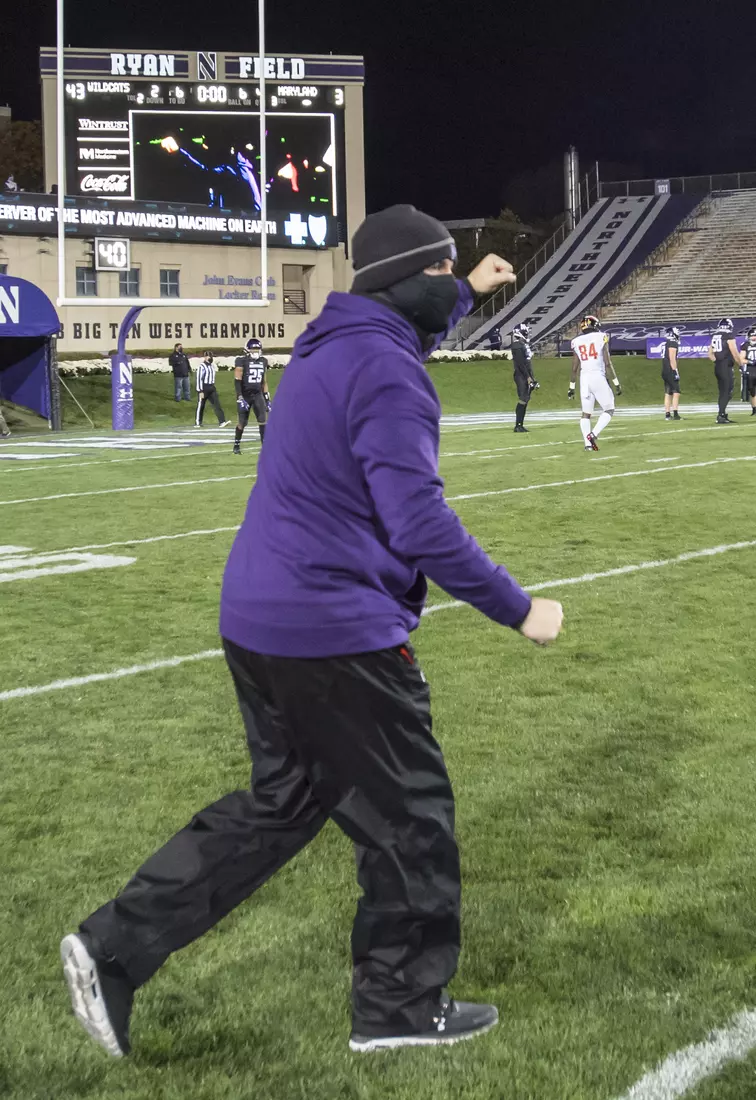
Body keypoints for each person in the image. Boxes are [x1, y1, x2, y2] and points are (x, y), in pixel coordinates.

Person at [60, 204, 563, 1059]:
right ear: (407, 281)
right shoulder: (388, 370)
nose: (453, 282)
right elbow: (420, 524)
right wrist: (519, 607)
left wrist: (466, 296)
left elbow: (398, 346)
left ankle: (112, 949)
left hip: (258, 618)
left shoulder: (333, 345)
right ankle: (399, 1008)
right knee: (411, 820)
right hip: (335, 630)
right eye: (443, 271)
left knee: (284, 802)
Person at [568, 315, 622, 451]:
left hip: (584, 379)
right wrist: (616, 383)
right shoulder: (601, 337)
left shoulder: (576, 341)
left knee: (586, 413)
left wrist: (571, 387)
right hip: (597, 376)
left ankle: (587, 445)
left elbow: (574, 368)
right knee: (609, 409)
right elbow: (608, 363)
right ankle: (593, 434)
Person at [233, 338, 270, 454]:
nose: (256, 351)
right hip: (245, 395)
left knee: (263, 420)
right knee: (242, 423)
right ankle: (236, 445)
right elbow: (237, 380)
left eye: (257, 349)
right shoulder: (241, 361)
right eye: (253, 349)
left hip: (258, 394)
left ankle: (265, 447)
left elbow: (264, 381)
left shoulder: (263, 361)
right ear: (247, 350)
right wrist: (239, 397)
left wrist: (267, 398)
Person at [708, 317, 739, 424]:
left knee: (723, 392)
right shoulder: (728, 335)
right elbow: (734, 352)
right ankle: (721, 415)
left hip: (718, 366)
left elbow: (710, 354)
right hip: (726, 367)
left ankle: (722, 414)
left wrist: (718, 362)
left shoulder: (715, 336)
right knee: (727, 392)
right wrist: (740, 364)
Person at [511, 322, 537, 433]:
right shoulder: (517, 345)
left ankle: (520, 424)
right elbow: (521, 363)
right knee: (523, 398)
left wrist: (532, 377)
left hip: (525, 374)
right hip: (521, 375)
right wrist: (528, 377)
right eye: (525, 331)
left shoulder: (522, 345)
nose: (527, 333)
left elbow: (527, 364)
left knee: (526, 399)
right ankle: (518, 425)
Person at [195, 352, 230, 428]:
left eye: (211, 356)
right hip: (204, 388)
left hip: (211, 387)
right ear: (205, 357)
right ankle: (198, 422)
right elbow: (199, 378)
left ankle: (222, 421)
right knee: (201, 405)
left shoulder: (212, 366)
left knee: (217, 405)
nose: (210, 358)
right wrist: (200, 391)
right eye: (208, 356)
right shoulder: (202, 366)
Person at [661, 326, 683, 420]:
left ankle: (667, 415)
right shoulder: (673, 343)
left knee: (668, 393)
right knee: (676, 392)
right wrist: (675, 370)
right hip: (670, 370)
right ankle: (676, 414)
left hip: (665, 370)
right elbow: (672, 358)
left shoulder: (666, 343)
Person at [743, 326, 756, 416]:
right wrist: (750, 361)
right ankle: (754, 409)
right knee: (752, 392)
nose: (754, 337)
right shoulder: (745, 345)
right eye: (752, 336)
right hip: (750, 369)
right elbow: (741, 359)